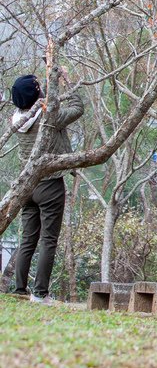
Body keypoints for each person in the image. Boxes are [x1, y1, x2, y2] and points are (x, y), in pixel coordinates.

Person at [10, 72, 84, 303]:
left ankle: (19, 290)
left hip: (27, 185)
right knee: (48, 240)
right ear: (37, 94)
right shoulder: (48, 117)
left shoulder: (17, 119)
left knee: (28, 240)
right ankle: (40, 294)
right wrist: (67, 81)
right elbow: (77, 107)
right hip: (50, 184)